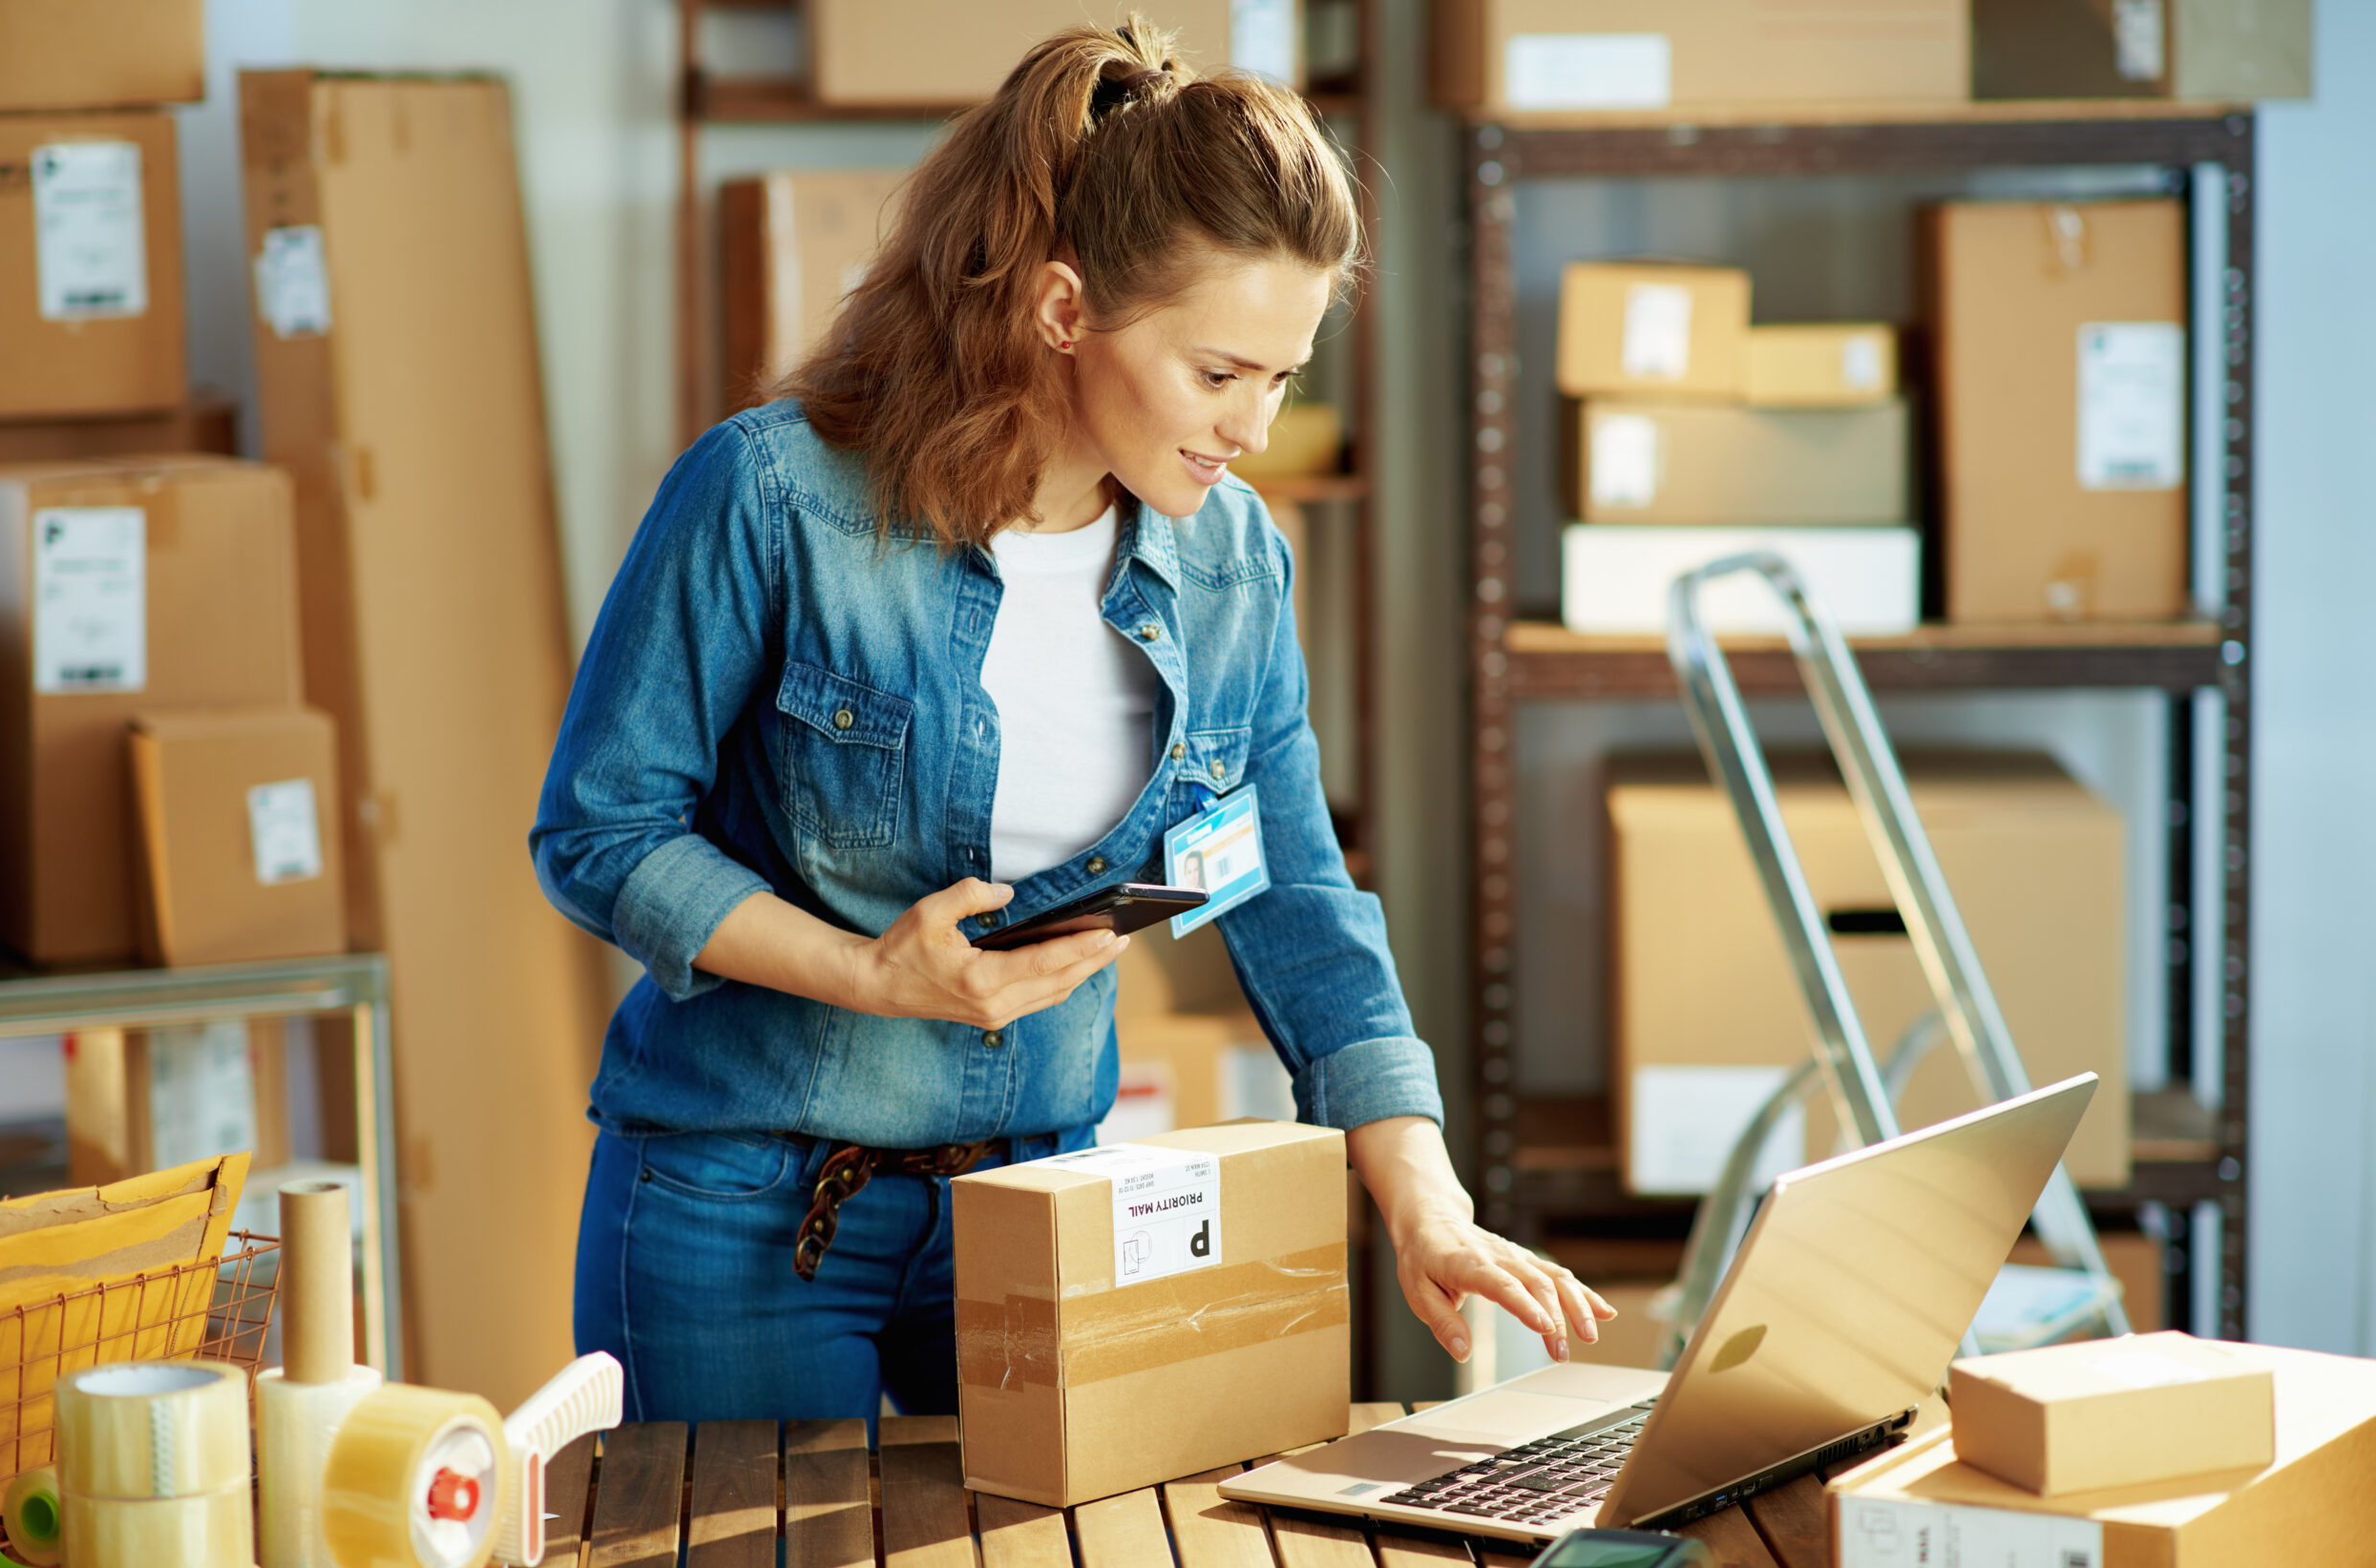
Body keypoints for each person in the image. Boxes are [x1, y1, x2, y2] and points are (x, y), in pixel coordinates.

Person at [532, 13, 1613, 1428]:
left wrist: (1422, 1199)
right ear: (1062, 312)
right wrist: (872, 975)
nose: (1256, 430)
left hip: (1038, 1213)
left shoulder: (1230, 564)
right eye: (1219, 374)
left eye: (1284, 377)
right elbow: (603, 833)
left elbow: (1283, 882)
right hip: (746, 1213)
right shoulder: (774, 498)